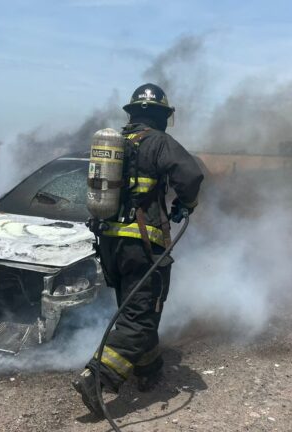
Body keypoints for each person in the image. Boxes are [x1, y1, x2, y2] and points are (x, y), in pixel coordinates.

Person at [72, 83, 204, 417]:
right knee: (141, 314)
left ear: (132, 114)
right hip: (143, 244)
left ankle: (148, 369)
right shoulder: (158, 141)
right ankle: (97, 378)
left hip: (109, 243)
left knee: (134, 308)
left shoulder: (116, 143)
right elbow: (190, 175)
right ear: (162, 116)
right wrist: (185, 204)